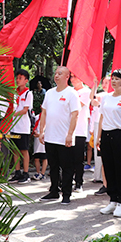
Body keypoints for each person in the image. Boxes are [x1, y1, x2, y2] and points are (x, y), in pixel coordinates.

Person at [38, 66, 79, 204]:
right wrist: (41, 131)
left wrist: (70, 134)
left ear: (67, 77)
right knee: (53, 166)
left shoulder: (71, 93)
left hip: (64, 138)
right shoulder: (49, 93)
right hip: (50, 136)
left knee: (67, 167)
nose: (56, 75)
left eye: (60, 73)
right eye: (56, 73)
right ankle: (54, 191)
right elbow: (44, 113)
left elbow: (75, 115)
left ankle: (66, 194)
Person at [98, 69, 121, 217]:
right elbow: (101, 118)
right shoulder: (106, 97)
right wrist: (99, 137)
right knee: (108, 168)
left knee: (120, 169)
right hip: (106, 135)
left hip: (119, 135)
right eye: (112, 78)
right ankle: (112, 199)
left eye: (117, 79)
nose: (113, 81)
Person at [9, 69, 33, 184]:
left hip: (23, 127)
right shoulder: (14, 93)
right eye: (17, 78)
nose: (17, 80)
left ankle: (26, 173)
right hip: (14, 127)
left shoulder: (28, 94)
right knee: (15, 150)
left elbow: (24, 110)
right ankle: (17, 172)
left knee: (24, 150)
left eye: (20, 78)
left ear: (26, 80)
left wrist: (12, 114)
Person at [70, 73, 91, 191]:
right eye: (71, 76)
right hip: (67, 130)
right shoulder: (69, 91)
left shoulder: (86, 92)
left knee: (78, 158)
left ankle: (79, 182)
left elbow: (77, 107)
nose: (72, 79)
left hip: (79, 130)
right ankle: (67, 182)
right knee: (67, 158)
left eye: (75, 76)